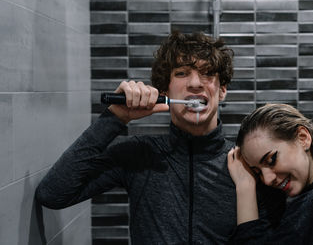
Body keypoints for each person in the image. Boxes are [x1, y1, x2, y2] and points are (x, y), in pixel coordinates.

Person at [35, 31, 239, 243]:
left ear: (222, 90)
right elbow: (52, 194)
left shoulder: (242, 163)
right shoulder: (139, 154)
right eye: (182, 73)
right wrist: (116, 117)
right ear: (165, 92)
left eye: (207, 73)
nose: (195, 83)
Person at [227, 103, 313, 245]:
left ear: (303, 138)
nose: (267, 179)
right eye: (257, 172)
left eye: (271, 160)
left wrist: (245, 187)